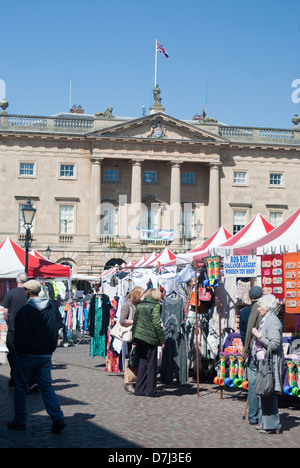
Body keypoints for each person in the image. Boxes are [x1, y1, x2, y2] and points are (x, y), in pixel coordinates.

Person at [7, 280, 65, 433]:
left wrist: (19, 350)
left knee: (20, 387)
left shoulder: (25, 311)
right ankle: (57, 416)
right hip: (45, 354)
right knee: (46, 386)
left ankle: (20, 420)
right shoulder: (51, 307)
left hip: (27, 354)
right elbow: (58, 326)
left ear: (27, 291)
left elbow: (20, 336)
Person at [251, 294, 283, 434]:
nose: (258, 309)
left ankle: (272, 425)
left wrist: (258, 337)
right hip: (263, 362)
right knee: (263, 391)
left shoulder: (273, 321)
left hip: (269, 363)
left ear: (266, 307)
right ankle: (264, 422)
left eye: (259, 306)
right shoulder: (267, 319)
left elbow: (274, 344)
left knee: (268, 391)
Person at [132, 289, 165, 397]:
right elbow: (156, 323)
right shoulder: (155, 305)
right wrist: (161, 340)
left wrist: (134, 338)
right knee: (151, 364)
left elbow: (136, 321)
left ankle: (139, 389)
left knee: (142, 362)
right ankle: (150, 390)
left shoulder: (140, 304)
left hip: (139, 337)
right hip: (150, 338)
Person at [240, 286, 263, 425]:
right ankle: (262, 415)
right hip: (261, 350)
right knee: (264, 384)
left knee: (253, 384)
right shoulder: (262, 312)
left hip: (249, 350)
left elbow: (244, 334)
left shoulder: (243, 312)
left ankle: (253, 416)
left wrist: (246, 347)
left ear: (250, 297)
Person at [1, 272, 28, 387]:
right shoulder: (29, 294)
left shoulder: (10, 293)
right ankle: (24, 378)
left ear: (17, 281)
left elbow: (5, 312)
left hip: (13, 328)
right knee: (25, 354)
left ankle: (14, 377)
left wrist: (8, 322)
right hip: (27, 329)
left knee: (12, 353)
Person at [119, 286, 145, 392]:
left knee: (137, 359)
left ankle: (136, 381)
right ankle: (129, 382)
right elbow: (122, 320)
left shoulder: (138, 304)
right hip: (130, 334)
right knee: (131, 358)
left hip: (139, 334)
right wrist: (135, 322)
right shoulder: (127, 304)